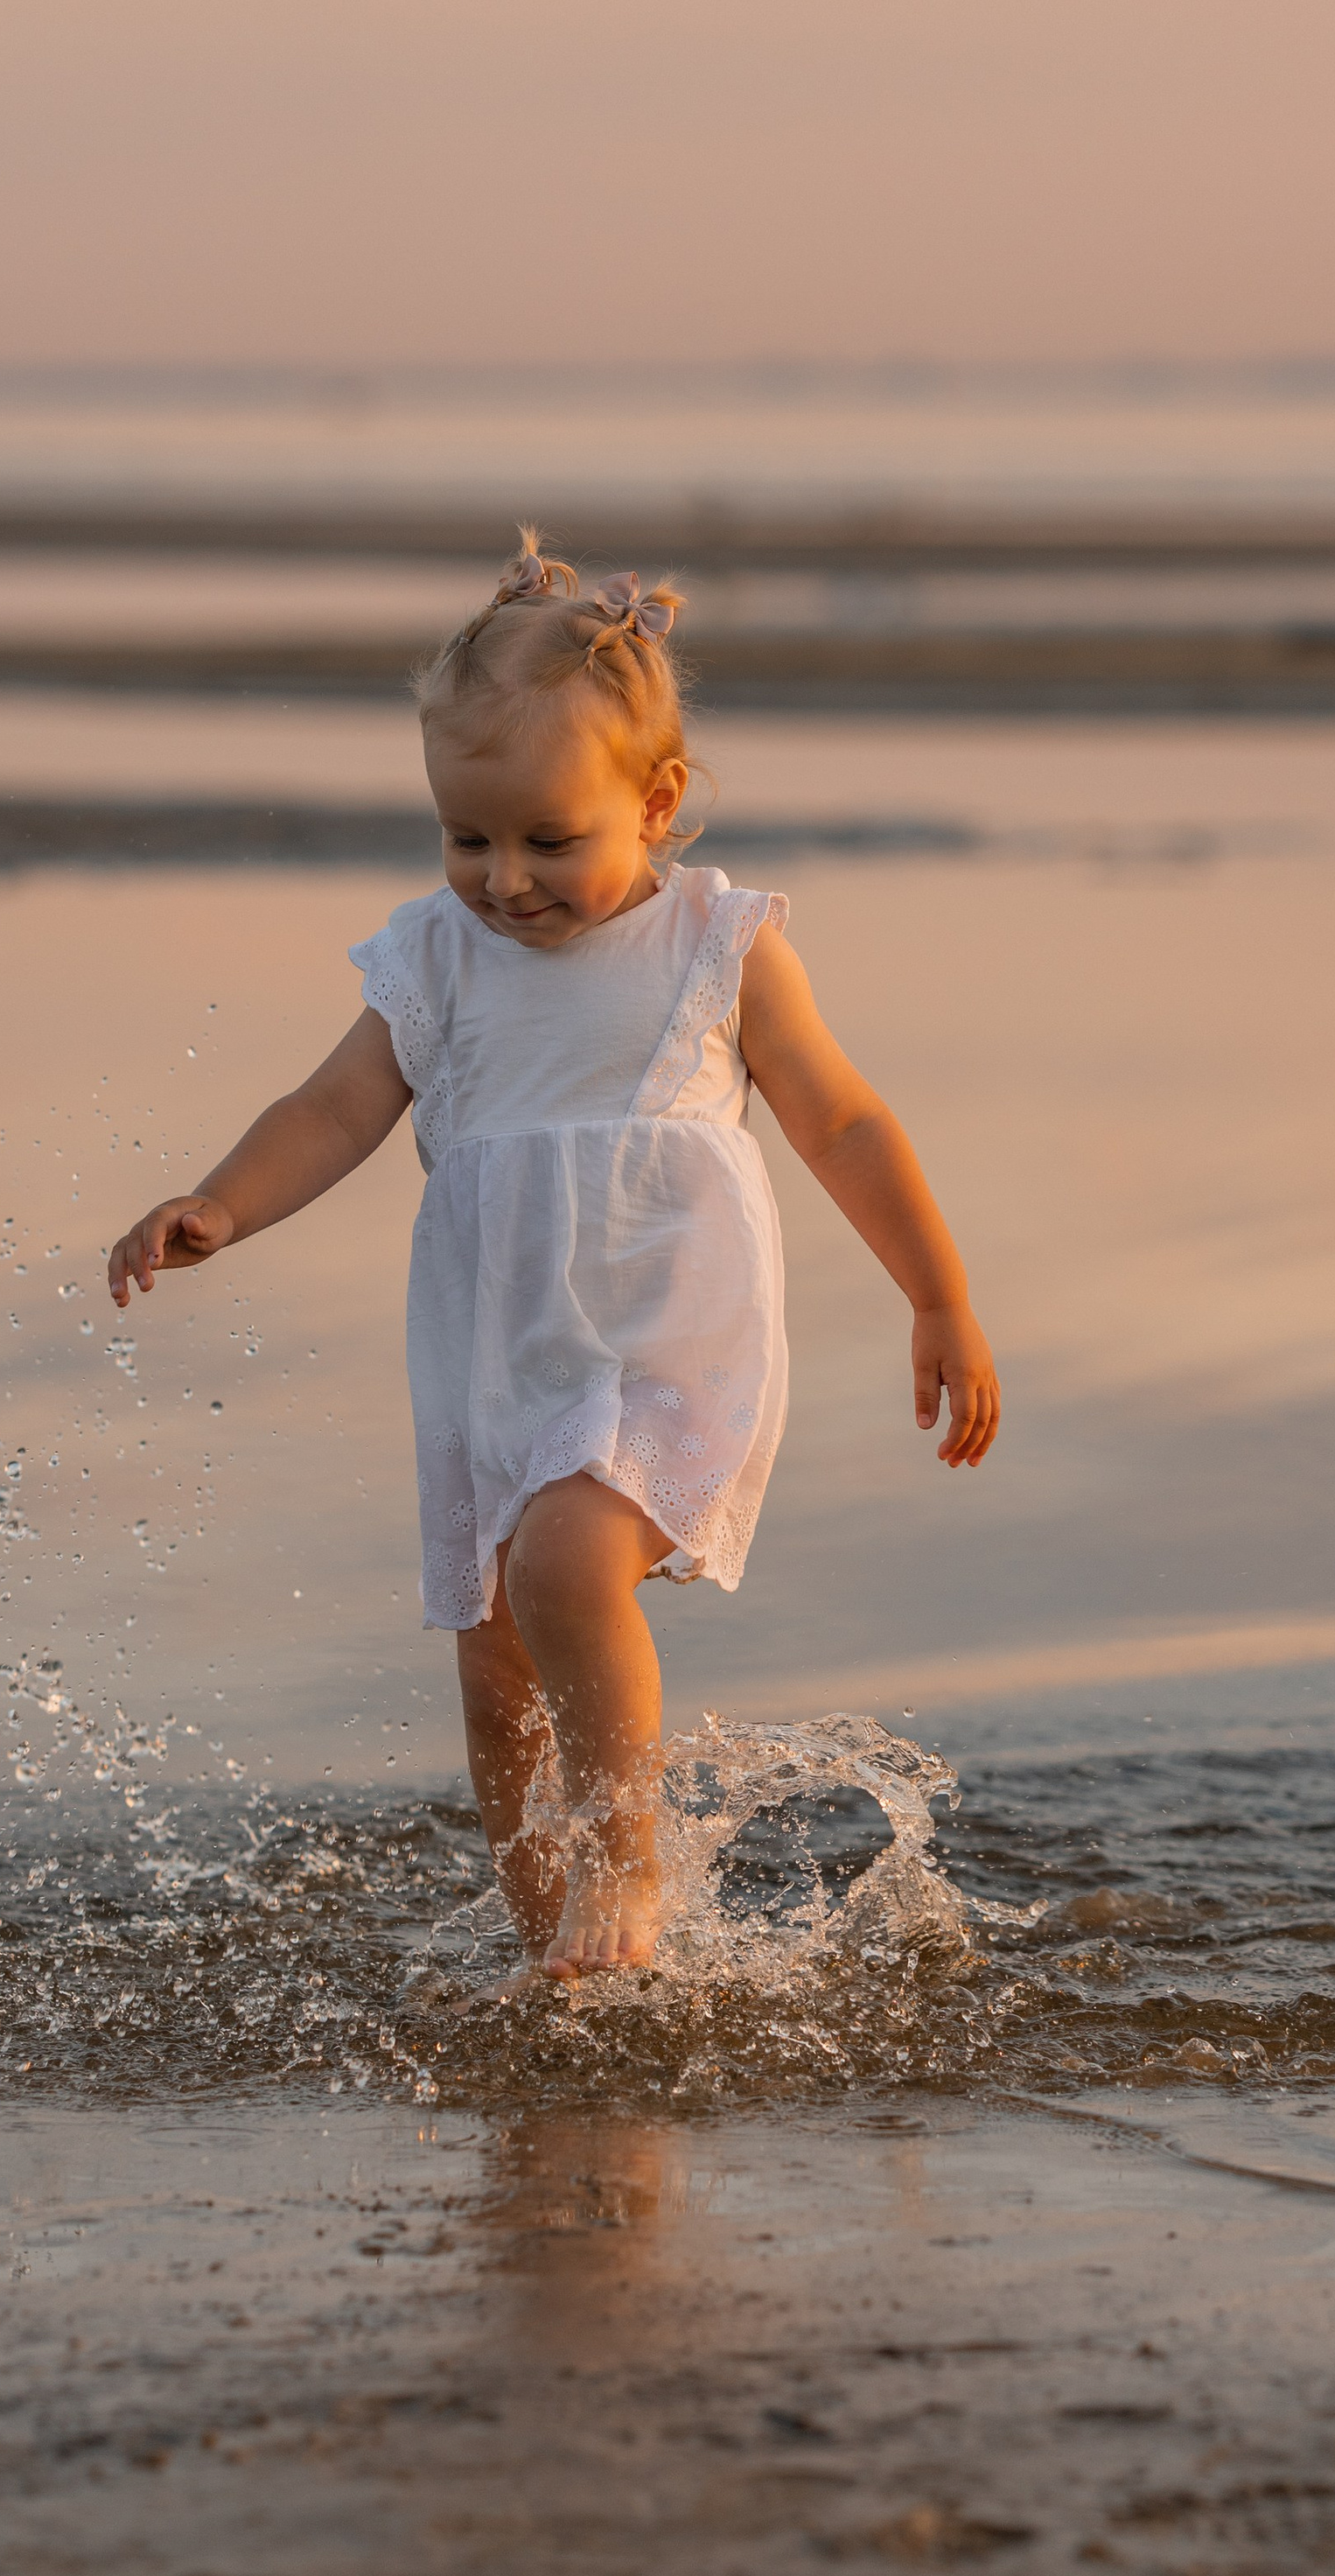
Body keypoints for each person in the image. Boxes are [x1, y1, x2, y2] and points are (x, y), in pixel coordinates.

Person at [108, 537, 1000, 1982]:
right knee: (495, 1664)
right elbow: (331, 1109)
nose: (505, 880)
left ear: (655, 804)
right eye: (466, 839)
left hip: (663, 1336)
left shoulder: (717, 947)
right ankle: (559, 1963)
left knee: (572, 1566)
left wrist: (939, 1296)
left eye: (547, 839)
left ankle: (627, 1871)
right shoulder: (434, 961)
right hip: (502, 1352)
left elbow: (842, 1120)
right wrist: (221, 1201)